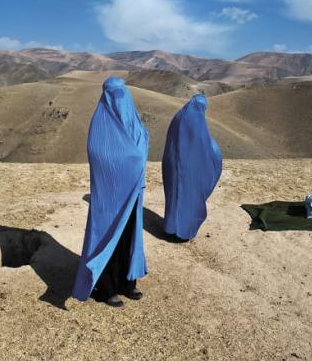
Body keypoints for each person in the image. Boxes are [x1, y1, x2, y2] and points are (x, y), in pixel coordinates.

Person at [72, 77, 148, 307]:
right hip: (110, 196)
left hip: (133, 193)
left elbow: (142, 146)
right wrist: (130, 160)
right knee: (107, 237)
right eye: (114, 93)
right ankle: (106, 288)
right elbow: (100, 154)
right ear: (106, 95)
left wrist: (135, 162)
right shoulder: (101, 124)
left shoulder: (133, 120)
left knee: (129, 236)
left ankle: (128, 283)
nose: (119, 98)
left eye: (122, 92)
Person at [162, 93, 222, 241]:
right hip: (191, 169)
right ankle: (185, 232)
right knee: (190, 197)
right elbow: (208, 147)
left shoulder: (178, 118)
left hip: (173, 166)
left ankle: (170, 228)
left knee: (174, 196)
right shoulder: (199, 122)